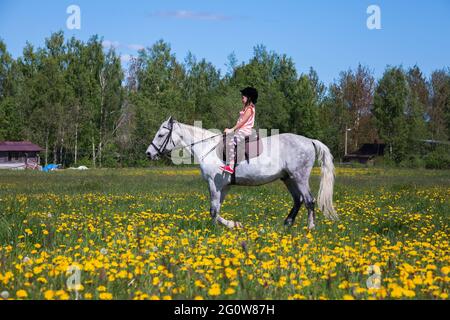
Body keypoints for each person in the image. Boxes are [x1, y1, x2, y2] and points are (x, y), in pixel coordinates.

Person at [220, 87, 257, 174]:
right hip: (241, 131)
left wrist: (231, 130)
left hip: (245, 131)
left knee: (231, 142)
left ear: (249, 97)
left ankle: (231, 166)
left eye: (243, 97)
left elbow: (242, 122)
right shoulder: (246, 108)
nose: (242, 98)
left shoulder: (249, 109)